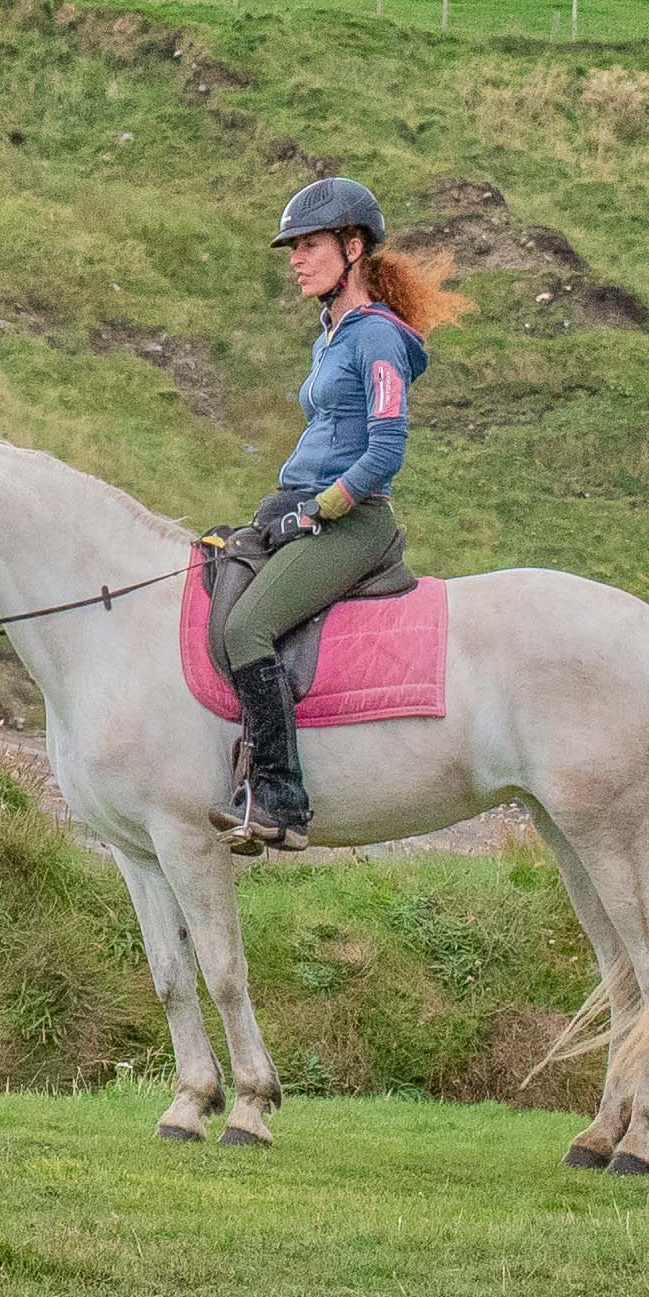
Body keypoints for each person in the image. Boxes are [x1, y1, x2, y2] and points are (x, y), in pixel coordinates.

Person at [210, 175, 461, 850]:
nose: (295, 257)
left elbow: (383, 453)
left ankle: (281, 800)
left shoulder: (376, 338)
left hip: (352, 521)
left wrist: (317, 512)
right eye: (292, 245)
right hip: (301, 505)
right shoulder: (331, 334)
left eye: (309, 243)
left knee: (248, 627)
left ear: (352, 248)